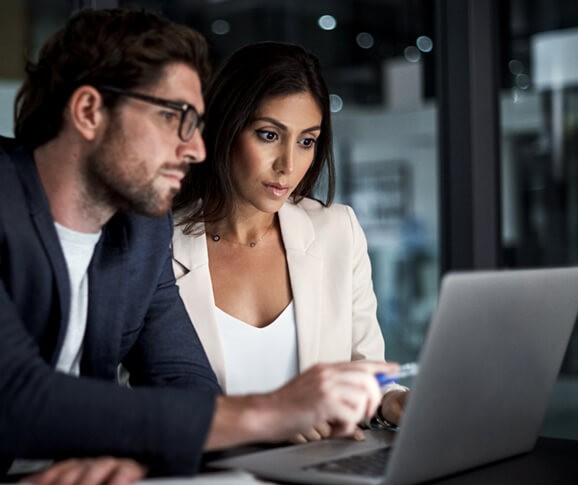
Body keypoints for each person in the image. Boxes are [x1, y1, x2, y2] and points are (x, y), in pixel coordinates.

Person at [0, 9, 396, 485]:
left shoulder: (140, 230)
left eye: (198, 125)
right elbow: (15, 398)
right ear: (88, 112)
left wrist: (137, 446)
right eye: (175, 119)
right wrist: (273, 410)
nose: (197, 148)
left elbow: (183, 378)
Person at [172, 42, 409, 442]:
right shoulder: (158, 244)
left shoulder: (338, 230)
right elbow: (133, 397)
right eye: (268, 135)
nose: (288, 165)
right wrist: (262, 424)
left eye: (306, 141)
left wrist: (394, 402)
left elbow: (368, 370)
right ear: (225, 127)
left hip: (318, 474)